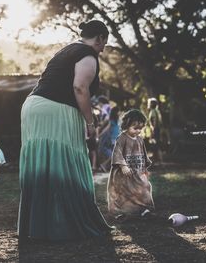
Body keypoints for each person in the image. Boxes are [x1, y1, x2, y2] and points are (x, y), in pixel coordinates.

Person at [18, 20, 113, 241]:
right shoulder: (88, 54)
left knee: (42, 164)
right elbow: (80, 87)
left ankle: (38, 226)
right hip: (56, 110)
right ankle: (62, 225)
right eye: (104, 43)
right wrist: (91, 124)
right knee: (65, 163)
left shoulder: (67, 50)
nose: (103, 48)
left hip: (32, 107)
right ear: (99, 38)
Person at [107, 109, 155, 220]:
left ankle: (143, 209)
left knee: (145, 187)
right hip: (123, 174)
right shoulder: (122, 138)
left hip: (137, 172)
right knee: (122, 192)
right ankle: (120, 212)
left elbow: (143, 154)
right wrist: (123, 165)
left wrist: (144, 168)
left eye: (140, 128)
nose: (138, 131)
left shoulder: (140, 140)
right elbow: (117, 152)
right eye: (135, 128)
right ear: (126, 125)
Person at [98, 106, 120, 172]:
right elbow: (106, 128)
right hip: (112, 138)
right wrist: (100, 135)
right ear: (115, 112)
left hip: (116, 138)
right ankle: (104, 165)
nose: (119, 113)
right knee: (115, 154)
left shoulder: (116, 120)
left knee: (115, 154)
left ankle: (105, 166)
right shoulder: (111, 120)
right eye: (118, 111)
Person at [147, 98, 163, 164]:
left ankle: (158, 161)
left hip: (155, 130)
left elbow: (154, 121)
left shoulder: (153, 111)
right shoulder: (157, 111)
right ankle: (158, 160)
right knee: (156, 145)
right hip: (157, 130)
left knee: (155, 145)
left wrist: (153, 130)